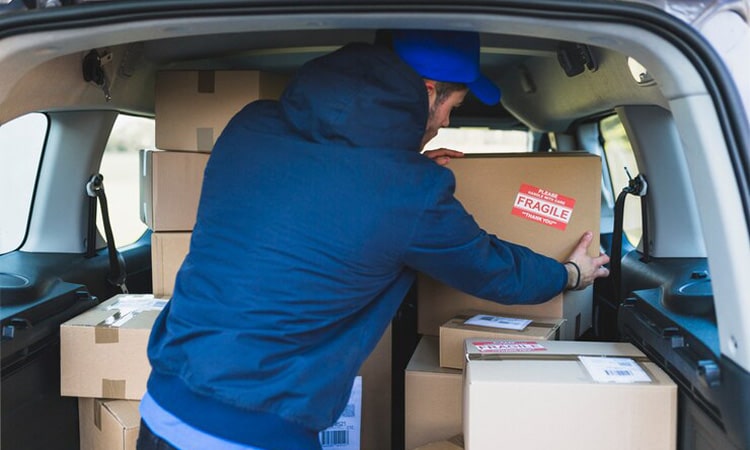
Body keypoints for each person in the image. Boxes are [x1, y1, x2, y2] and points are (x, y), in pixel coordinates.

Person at [137, 29, 610, 450]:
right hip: (254, 431)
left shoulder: (250, 125)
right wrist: (570, 273)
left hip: (162, 402)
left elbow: (319, 191)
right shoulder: (409, 191)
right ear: (428, 91)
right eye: (452, 106)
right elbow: (493, 269)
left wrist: (409, 169)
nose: (445, 122)